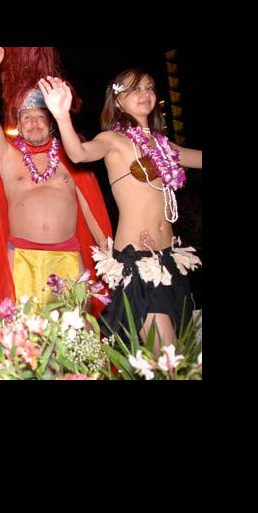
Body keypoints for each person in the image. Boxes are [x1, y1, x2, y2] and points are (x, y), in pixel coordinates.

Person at [40, 67, 202, 352]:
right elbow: (79, 153)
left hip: (170, 260)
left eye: (149, 87)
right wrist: (62, 116)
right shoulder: (114, 140)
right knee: (167, 355)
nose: (145, 93)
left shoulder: (164, 147)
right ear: (117, 100)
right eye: (134, 88)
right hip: (138, 260)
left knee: (178, 354)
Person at [0, 47, 112, 308]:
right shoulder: (7, 155)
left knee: (73, 329)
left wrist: (109, 252)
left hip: (68, 257)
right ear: (19, 124)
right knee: (23, 331)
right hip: (21, 258)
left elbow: (90, 209)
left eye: (40, 117)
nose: (34, 122)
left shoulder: (72, 155)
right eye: (27, 118)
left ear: (51, 123)